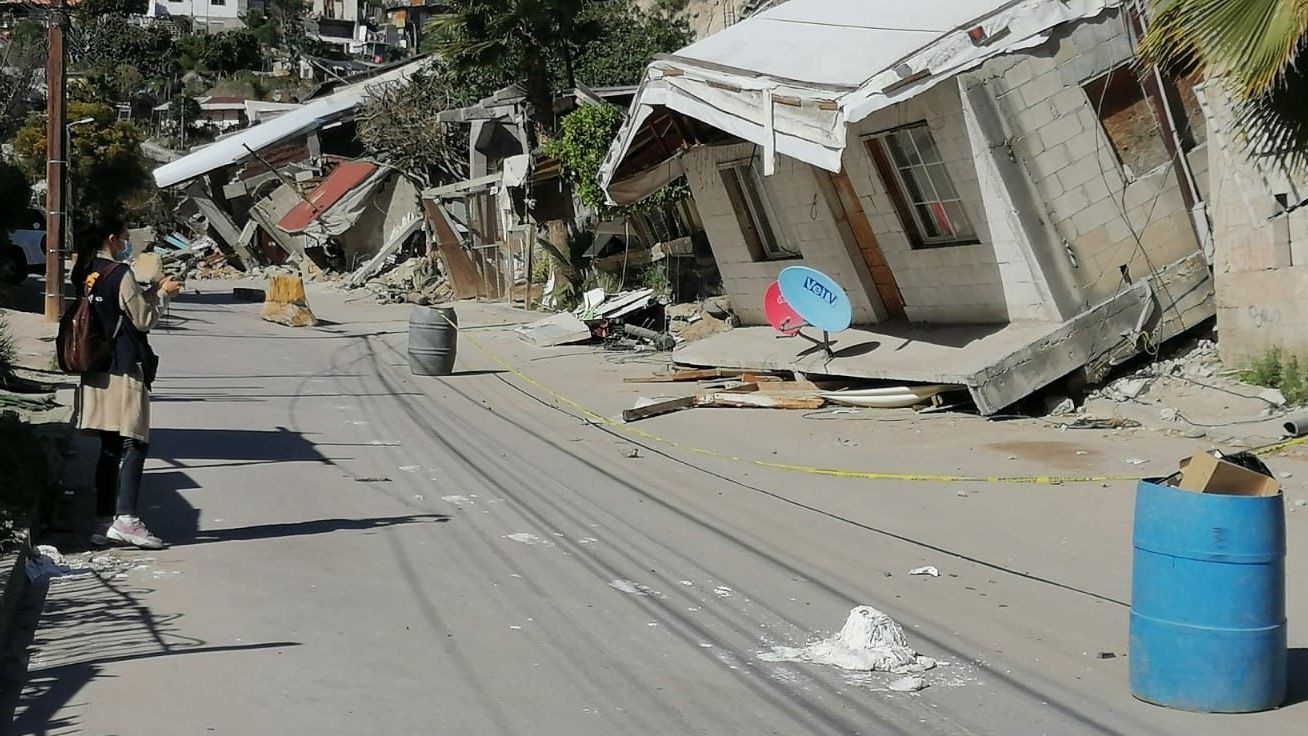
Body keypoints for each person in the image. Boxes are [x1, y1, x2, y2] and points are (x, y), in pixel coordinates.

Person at [70, 215, 183, 549]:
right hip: (123, 367)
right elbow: (142, 319)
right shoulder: (120, 273)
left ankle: (104, 520)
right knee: (135, 441)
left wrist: (149, 291)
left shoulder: (86, 272)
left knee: (109, 445)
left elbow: (116, 309)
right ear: (112, 239)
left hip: (95, 366)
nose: (126, 244)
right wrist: (163, 294)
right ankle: (127, 519)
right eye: (124, 239)